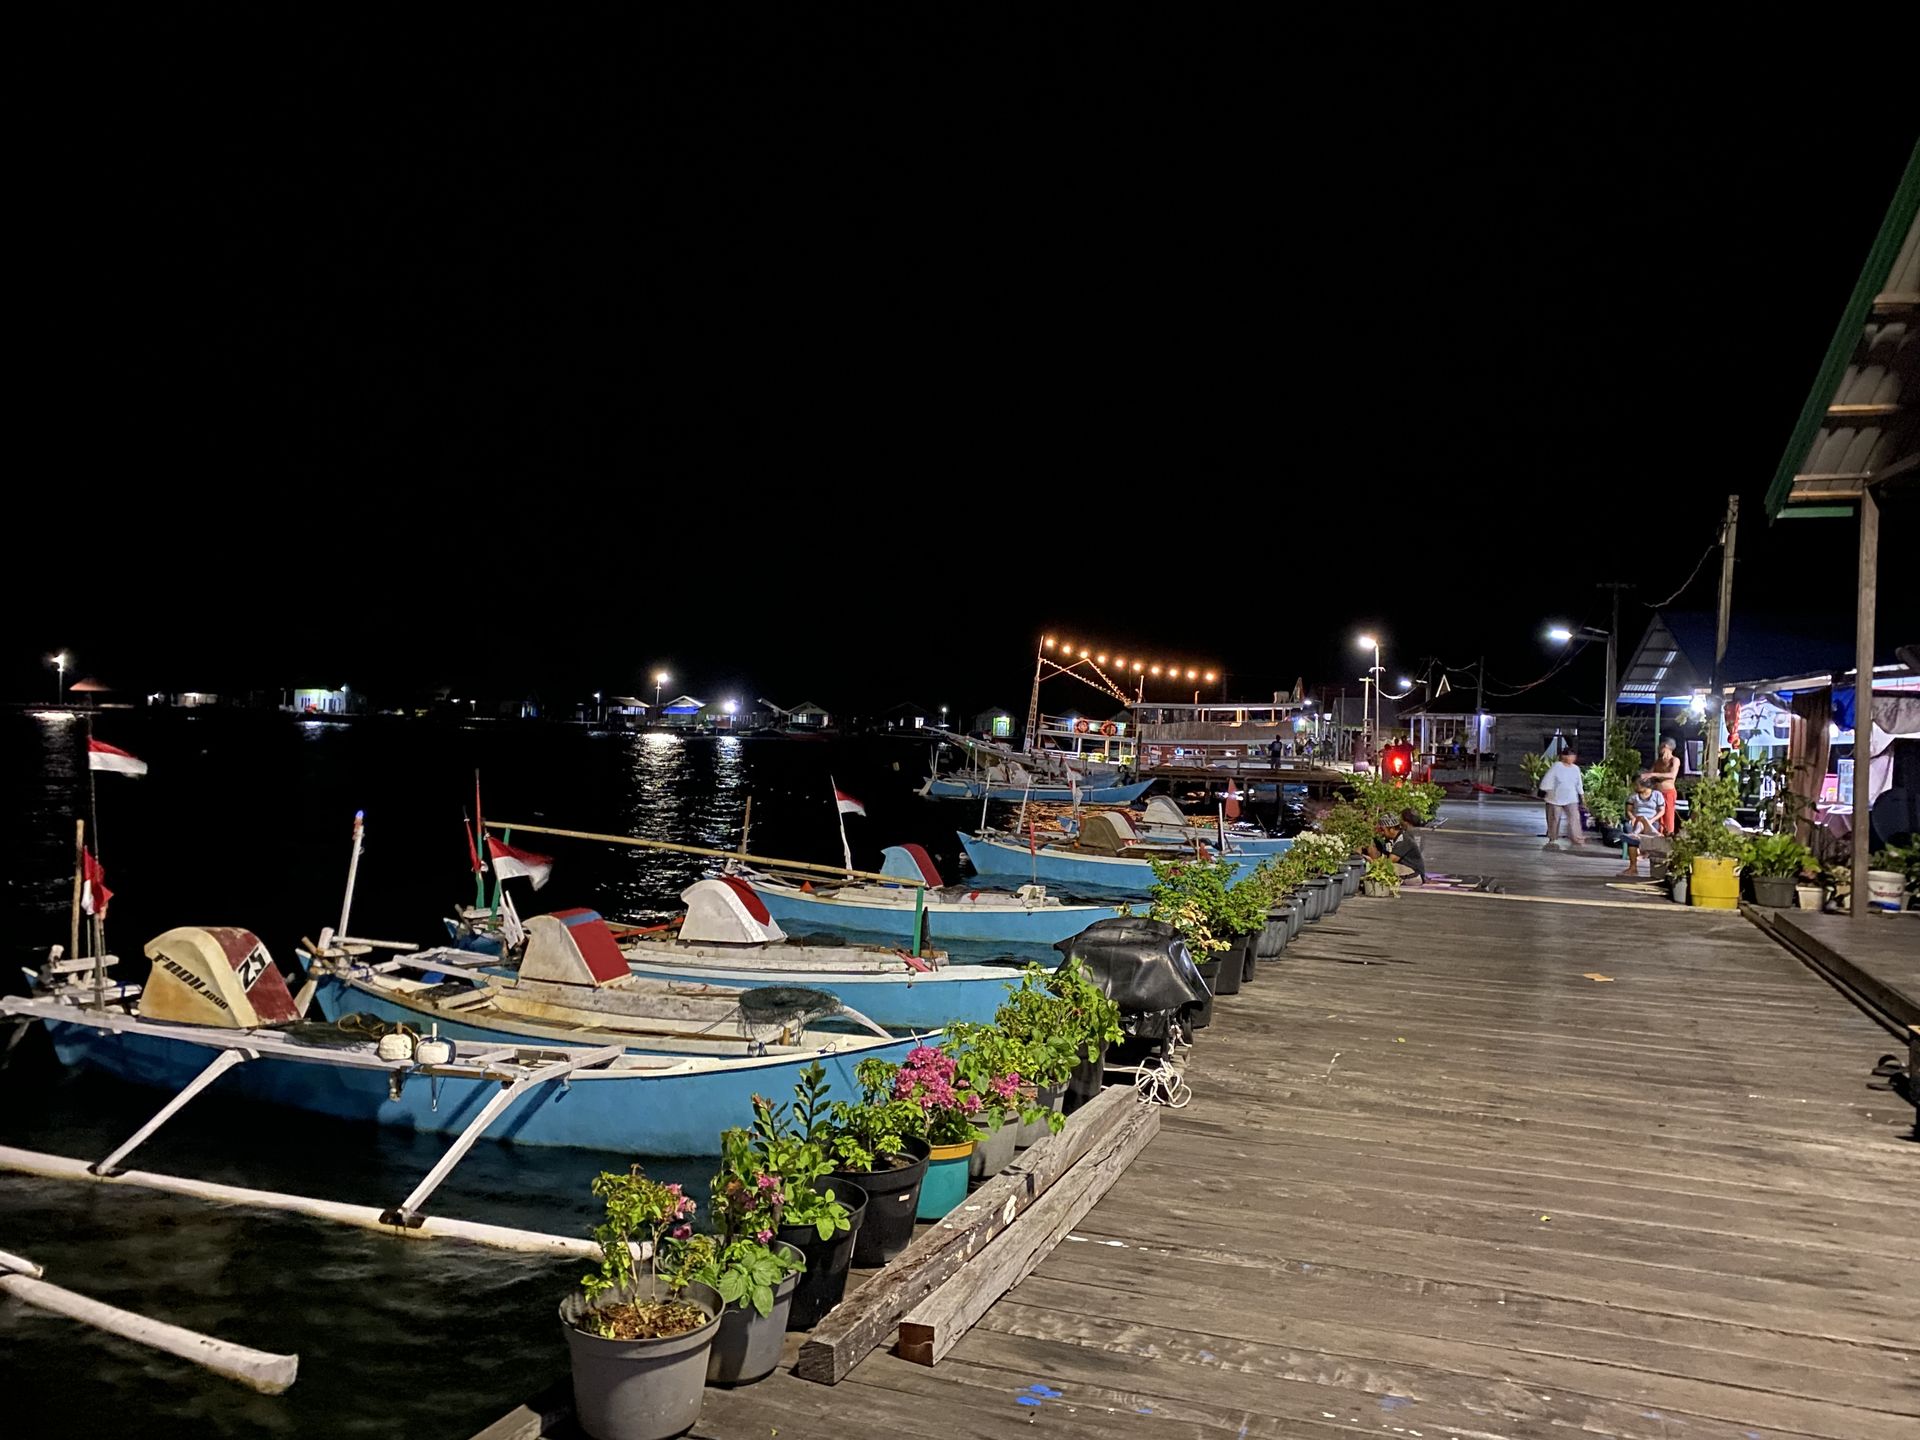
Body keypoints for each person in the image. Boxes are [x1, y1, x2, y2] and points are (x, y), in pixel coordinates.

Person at [1539, 746, 1585, 850]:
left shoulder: (1575, 768)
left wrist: (1582, 796)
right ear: (1563, 756)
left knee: (1574, 818)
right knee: (1554, 818)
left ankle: (1577, 839)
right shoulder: (1557, 766)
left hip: (1571, 797)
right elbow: (1547, 781)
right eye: (1570, 756)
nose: (1572, 758)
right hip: (1555, 798)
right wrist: (1547, 791)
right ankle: (1552, 838)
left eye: (1574, 756)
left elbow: (1579, 784)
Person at [1618, 778, 1665, 876]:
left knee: (1639, 828)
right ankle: (1634, 866)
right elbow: (1629, 811)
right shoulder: (1634, 796)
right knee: (1638, 823)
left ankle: (1635, 835)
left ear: (1645, 786)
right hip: (1637, 819)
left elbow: (1662, 811)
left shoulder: (1657, 795)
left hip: (1651, 821)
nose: (1635, 787)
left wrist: (1652, 820)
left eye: (1637, 785)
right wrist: (1632, 817)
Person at [1641, 738, 1680, 834]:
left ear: (1666, 746)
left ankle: (1668, 838)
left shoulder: (1674, 760)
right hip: (1657, 794)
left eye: (1660, 746)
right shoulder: (1658, 761)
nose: (1659, 748)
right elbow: (1649, 774)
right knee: (1658, 818)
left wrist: (1653, 774)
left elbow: (1672, 775)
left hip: (1668, 793)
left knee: (1668, 818)